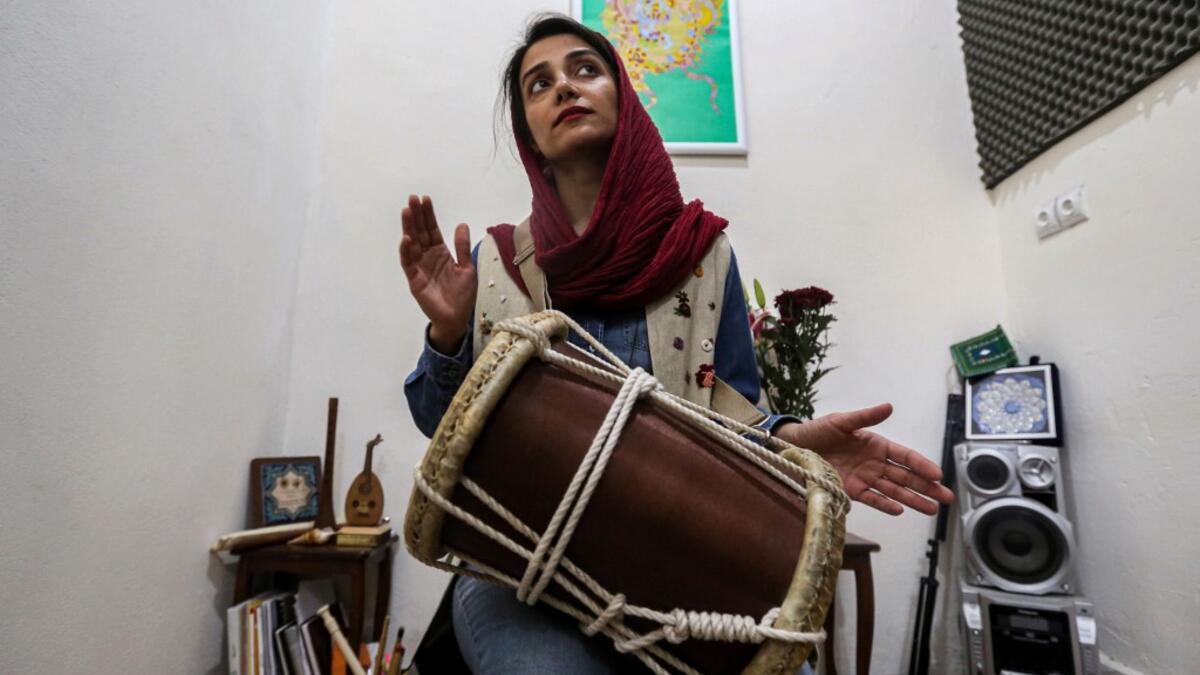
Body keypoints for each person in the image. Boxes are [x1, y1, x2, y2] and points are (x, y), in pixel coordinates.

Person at [400, 14, 954, 674]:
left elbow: (727, 419)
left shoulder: (702, 255)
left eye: (585, 69)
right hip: (520, 568)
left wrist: (791, 441)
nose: (563, 88)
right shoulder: (494, 263)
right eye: (538, 83)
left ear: (624, 99)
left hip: (672, 554)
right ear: (531, 138)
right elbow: (447, 432)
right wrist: (448, 334)